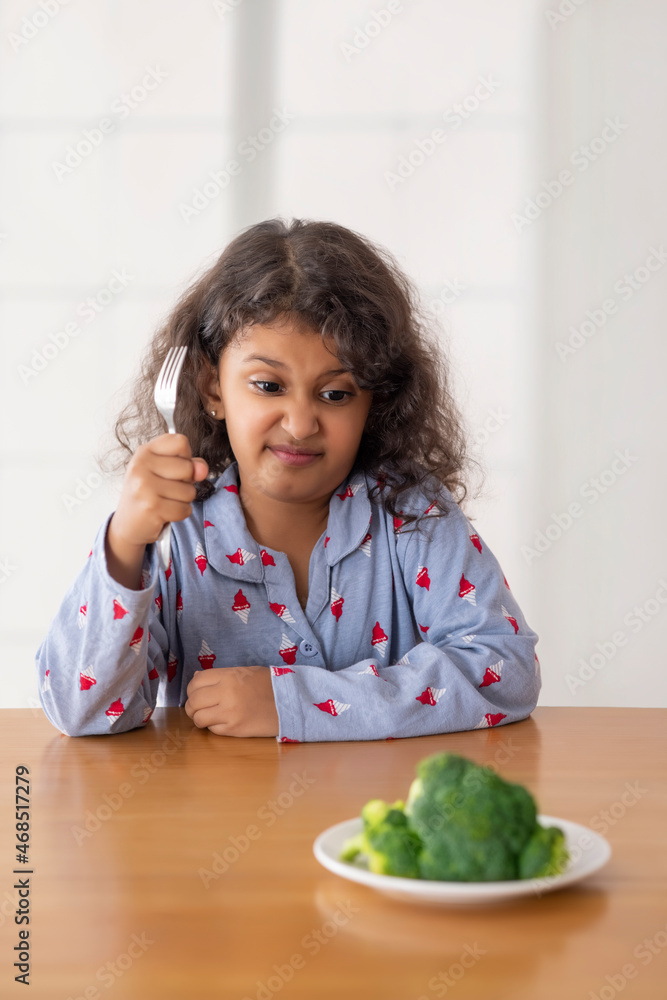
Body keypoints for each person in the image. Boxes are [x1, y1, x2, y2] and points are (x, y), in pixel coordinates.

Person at [35, 217, 540, 741]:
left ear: (378, 401)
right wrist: (124, 544)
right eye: (268, 385)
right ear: (212, 387)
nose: (300, 424)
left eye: (336, 393)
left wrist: (291, 703)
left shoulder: (413, 513)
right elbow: (84, 710)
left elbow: (505, 671)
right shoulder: (173, 534)